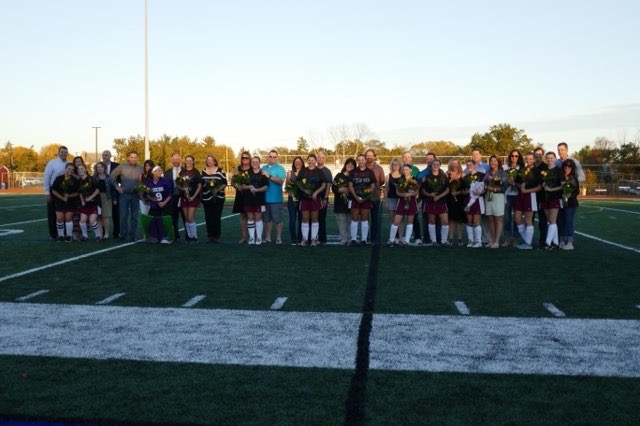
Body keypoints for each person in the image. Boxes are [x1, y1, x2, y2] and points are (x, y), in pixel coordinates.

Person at [110, 151, 144, 242]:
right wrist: (117, 186)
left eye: (135, 157)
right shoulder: (122, 166)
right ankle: (123, 235)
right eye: (131, 157)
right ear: (128, 158)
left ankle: (133, 235)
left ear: (137, 158)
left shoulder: (141, 168)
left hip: (135, 195)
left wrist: (142, 191)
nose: (133, 159)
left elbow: (144, 180)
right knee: (123, 216)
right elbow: (112, 176)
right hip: (124, 194)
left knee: (134, 216)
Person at [297, 153, 327, 246]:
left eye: (312, 160)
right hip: (304, 198)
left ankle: (313, 239)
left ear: (315, 161)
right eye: (309, 160)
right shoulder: (303, 171)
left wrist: (316, 192)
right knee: (305, 218)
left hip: (316, 198)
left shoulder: (319, 171)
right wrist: (304, 190)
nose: (311, 161)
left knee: (314, 218)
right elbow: (298, 182)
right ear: (307, 161)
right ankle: (304, 239)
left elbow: (324, 184)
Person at [514, 152, 542, 250]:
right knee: (517, 218)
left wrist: (527, 190)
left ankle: (527, 243)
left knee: (528, 220)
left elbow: (539, 187)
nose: (528, 160)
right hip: (520, 196)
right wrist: (519, 185)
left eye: (531, 159)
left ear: (534, 160)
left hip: (531, 196)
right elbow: (516, 183)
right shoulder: (522, 170)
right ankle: (526, 239)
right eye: (527, 158)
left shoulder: (537, 171)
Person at [388, 163, 419, 247]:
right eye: (404, 170)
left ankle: (406, 241)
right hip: (401, 202)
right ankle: (391, 240)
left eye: (407, 169)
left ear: (411, 170)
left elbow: (416, 192)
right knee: (396, 221)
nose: (405, 171)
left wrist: (410, 195)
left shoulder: (415, 179)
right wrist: (404, 195)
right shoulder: (400, 179)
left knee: (410, 221)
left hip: (412, 202)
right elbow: (397, 192)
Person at [421, 159, 450, 247]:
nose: (436, 166)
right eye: (434, 164)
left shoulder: (443, 176)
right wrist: (431, 194)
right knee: (431, 221)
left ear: (440, 165)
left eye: (437, 164)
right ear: (431, 165)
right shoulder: (427, 177)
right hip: (430, 201)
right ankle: (433, 241)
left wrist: (439, 196)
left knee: (445, 221)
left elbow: (448, 189)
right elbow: (423, 190)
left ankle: (444, 241)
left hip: (441, 201)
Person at [239, 156, 269, 245]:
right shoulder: (246, 173)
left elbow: (266, 187)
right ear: (251, 163)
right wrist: (250, 187)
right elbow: (242, 186)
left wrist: (256, 190)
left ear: (259, 163)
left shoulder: (263, 173)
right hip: (248, 199)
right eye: (253, 162)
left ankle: (259, 237)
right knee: (250, 218)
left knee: (258, 218)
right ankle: (252, 238)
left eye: (256, 162)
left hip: (259, 199)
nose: (254, 163)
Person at [349, 154, 377, 245]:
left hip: (366, 199)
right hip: (355, 198)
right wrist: (356, 197)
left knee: (365, 219)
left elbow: (372, 186)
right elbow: (350, 185)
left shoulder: (370, 172)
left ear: (365, 160)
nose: (361, 161)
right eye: (359, 160)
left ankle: (364, 239)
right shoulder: (353, 172)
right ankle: (353, 239)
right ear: (357, 161)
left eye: (362, 159)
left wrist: (365, 196)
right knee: (354, 218)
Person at [43, 146, 69, 240]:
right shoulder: (52, 163)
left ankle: (63, 233)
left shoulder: (68, 163)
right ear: (58, 153)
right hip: (53, 189)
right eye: (62, 152)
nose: (63, 154)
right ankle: (53, 235)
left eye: (65, 152)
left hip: (65, 190)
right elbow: (46, 177)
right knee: (52, 213)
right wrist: (47, 192)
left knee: (64, 213)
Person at [200, 155, 227, 243]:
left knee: (216, 217)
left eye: (211, 160)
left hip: (218, 197)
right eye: (208, 160)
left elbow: (224, 183)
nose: (209, 161)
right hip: (206, 198)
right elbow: (202, 184)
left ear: (215, 161)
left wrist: (216, 189)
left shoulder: (220, 171)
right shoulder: (203, 171)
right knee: (208, 217)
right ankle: (210, 236)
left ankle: (217, 236)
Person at [261, 150, 286, 244]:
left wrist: (269, 176)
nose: (272, 158)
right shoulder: (263, 168)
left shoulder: (280, 168)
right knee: (266, 220)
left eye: (274, 156)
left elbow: (280, 181)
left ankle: (278, 238)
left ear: (277, 158)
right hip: (265, 199)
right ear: (268, 157)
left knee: (277, 220)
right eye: (270, 156)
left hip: (276, 199)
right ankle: (268, 238)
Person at [483, 155, 508, 248]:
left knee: (498, 219)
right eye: (491, 161)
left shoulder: (502, 173)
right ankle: (492, 240)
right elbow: (484, 184)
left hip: (498, 197)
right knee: (490, 219)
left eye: (495, 161)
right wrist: (486, 187)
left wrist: (494, 189)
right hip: (489, 197)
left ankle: (497, 242)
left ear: (498, 162)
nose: (493, 162)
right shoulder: (488, 173)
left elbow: (505, 188)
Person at [50, 163, 79, 242]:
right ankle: (61, 235)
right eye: (69, 169)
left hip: (71, 202)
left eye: (72, 170)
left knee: (68, 218)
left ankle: (69, 236)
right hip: (59, 201)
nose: (70, 171)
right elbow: (53, 191)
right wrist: (62, 198)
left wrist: (68, 196)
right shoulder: (59, 178)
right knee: (59, 219)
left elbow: (78, 192)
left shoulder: (75, 180)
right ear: (65, 169)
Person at [177, 155, 202, 243]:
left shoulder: (196, 172)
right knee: (186, 218)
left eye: (190, 160)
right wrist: (182, 189)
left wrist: (193, 196)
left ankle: (194, 237)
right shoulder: (181, 172)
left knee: (191, 217)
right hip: (184, 197)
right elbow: (178, 184)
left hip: (193, 198)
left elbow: (199, 186)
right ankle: (189, 236)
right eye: (186, 160)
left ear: (193, 162)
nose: (188, 162)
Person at [540, 151, 563, 249]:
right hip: (544, 197)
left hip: (554, 197)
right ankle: (556, 242)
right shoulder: (544, 170)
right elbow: (541, 183)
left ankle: (548, 243)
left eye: (551, 158)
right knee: (550, 220)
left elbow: (562, 186)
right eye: (548, 158)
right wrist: (543, 185)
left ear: (555, 158)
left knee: (553, 220)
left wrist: (551, 189)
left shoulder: (559, 170)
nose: (549, 160)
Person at [145, 165, 173, 244]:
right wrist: (152, 199)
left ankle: (166, 237)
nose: (160, 172)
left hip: (165, 205)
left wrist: (164, 202)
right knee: (152, 219)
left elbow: (170, 194)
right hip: (154, 205)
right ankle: (154, 236)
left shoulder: (165, 181)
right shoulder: (149, 183)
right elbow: (146, 195)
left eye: (161, 170)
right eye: (158, 170)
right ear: (153, 172)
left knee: (164, 219)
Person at [503, 149, 524, 247]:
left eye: (516, 156)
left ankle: (516, 240)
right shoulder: (505, 168)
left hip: (518, 196)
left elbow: (523, 182)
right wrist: (507, 181)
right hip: (507, 195)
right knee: (507, 218)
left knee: (517, 218)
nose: (514, 158)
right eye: (512, 156)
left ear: (519, 157)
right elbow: (501, 181)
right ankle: (507, 240)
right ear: (509, 157)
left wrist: (515, 183)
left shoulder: (522, 169)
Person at [462, 160, 485, 248]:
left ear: (474, 165)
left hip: (478, 200)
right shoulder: (465, 177)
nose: (469, 166)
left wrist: (478, 191)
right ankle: (470, 240)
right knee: (469, 221)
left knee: (476, 221)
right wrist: (467, 191)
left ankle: (478, 241)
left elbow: (484, 188)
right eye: (467, 165)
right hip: (468, 201)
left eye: (470, 165)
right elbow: (463, 191)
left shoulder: (481, 175)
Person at [332, 158, 356, 245]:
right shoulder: (339, 176)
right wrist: (339, 189)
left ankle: (350, 239)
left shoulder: (355, 176)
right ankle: (344, 239)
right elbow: (333, 187)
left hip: (352, 202)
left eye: (352, 164)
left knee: (351, 221)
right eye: (348, 164)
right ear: (345, 165)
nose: (350, 166)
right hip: (340, 203)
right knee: (341, 221)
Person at [76, 164, 102, 242]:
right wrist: (82, 201)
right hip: (84, 204)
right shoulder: (79, 181)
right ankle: (85, 236)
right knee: (82, 221)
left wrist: (90, 198)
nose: (80, 170)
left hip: (93, 203)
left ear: (85, 169)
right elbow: (80, 192)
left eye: (81, 169)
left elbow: (97, 190)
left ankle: (98, 235)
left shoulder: (91, 179)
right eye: (78, 169)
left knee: (92, 221)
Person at [558, 158, 580, 250]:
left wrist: (569, 195)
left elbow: (577, 191)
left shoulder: (573, 178)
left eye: (569, 166)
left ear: (572, 168)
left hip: (571, 204)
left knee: (568, 222)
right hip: (561, 203)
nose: (567, 168)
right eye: (565, 166)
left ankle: (570, 242)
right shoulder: (560, 177)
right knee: (561, 222)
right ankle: (562, 241)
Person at [364, 149, 386, 244]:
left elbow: (382, 181)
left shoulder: (379, 168)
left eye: (371, 155)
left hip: (375, 196)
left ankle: (374, 238)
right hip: (364, 197)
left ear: (374, 156)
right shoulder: (361, 167)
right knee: (365, 219)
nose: (369, 157)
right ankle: (365, 237)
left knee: (375, 219)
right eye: (367, 155)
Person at [164, 153, 186, 242]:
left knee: (185, 217)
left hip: (183, 197)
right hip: (172, 198)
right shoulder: (167, 172)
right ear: (171, 160)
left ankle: (188, 235)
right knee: (173, 218)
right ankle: (176, 235)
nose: (176, 161)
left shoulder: (185, 171)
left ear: (180, 160)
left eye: (177, 159)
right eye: (174, 159)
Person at [231, 151, 252, 243]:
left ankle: (252, 236)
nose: (244, 159)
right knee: (243, 215)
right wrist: (237, 186)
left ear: (250, 158)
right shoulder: (237, 169)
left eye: (246, 157)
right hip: (240, 195)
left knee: (251, 216)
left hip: (251, 194)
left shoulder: (253, 168)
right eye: (243, 157)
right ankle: (244, 237)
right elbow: (232, 182)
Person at [93, 161, 116, 240]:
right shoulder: (94, 178)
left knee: (105, 216)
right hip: (96, 198)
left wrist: (115, 198)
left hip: (106, 198)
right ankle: (100, 233)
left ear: (104, 168)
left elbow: (114, 188)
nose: (99, 169)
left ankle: (106, 233)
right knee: (98, 216)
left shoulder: (109, 177)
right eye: (98, 167)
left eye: (101, 167)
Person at [402, 151, 422, 242]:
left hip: (413, 197)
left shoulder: (416, 169)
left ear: (411, 158)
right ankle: (400, 236)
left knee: (414, 218)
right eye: (405, 157)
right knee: (401, 218)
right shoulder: (400, 168)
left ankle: (417, 236)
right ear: (402, 158)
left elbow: (418, 184)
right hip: (402, 197)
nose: (407, 159)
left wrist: (417, 198)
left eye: (408, 157)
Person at [446, 158, 466, 246]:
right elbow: (444, 187)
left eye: (456, 163)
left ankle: (459, 239)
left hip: (460, 199)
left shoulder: (463, 174)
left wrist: (458, 192)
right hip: (449, 199)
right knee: (450, 220)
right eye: (452, 163)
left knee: (459, 220)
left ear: (459, 165)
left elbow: (465, 188)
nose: (454, 165)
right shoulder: (447, 174)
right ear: (450, 165)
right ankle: (450, 238)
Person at [285, 156, 304, 245]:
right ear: (294, 163)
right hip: (292, 199)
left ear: (302, 163)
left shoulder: (305, 173)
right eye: (296, 162)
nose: (298, 163)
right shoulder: (289, 173)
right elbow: (287, 187)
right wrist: (291, 192)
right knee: (292, 220)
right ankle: (293, 239)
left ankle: (300, 238)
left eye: (299, 161)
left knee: (301, 220)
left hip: (302, 199)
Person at [101, 150, 120, 238]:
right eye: (103, 155)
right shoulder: (99, 166)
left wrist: (119, 187)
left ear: (110, 156)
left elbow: (120, 179)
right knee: (103, 214)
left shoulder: (116, 166)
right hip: (103, 194)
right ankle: (104, 233)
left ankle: (116, 233)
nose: (104, 157)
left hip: (115, 193)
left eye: (106, 155)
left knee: (116, 214)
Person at [533, 147, 549, 248]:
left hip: (541, 196)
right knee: (529, 220)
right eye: (536, 154)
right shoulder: (531, 166)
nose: (538, 155)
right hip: (531, 196)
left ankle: (543, 241)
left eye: (540, 154)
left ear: (542, 155)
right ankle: (527, 241)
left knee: (542, 220)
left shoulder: (546, 167)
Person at [316, 151, 333, 244]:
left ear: (325, 159)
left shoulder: (327, 171)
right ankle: (313, 236)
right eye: (319, 157)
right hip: (313, 198)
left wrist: (325, 198)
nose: (320, 159)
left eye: (322, 157)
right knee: (313, 218)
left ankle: (322, 238)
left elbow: (328, 185)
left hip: (322, 197)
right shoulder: (312, 169)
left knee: (321, 218)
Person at [385, 158, 402, 243]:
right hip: (391, 199)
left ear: (400, 166)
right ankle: (394, 237)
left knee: (399, 220)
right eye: (394, 164)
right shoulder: (388, 176)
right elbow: (386, 189)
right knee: (392, 219)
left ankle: (399, 237)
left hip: (400, 199)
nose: (395, 166)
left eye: (397, 164)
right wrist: (385, 201)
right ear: (391, 166)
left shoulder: (403, 176)